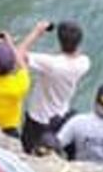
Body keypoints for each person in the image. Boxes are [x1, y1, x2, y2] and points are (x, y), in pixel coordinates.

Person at [20, 18, 91, 154]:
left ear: (59, 41)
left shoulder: (51, 64)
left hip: (38, 118)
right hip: (60, 116)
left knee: (27, 151)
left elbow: (18, 54)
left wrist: (36, 32)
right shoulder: (84, 63)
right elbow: (74, 54)